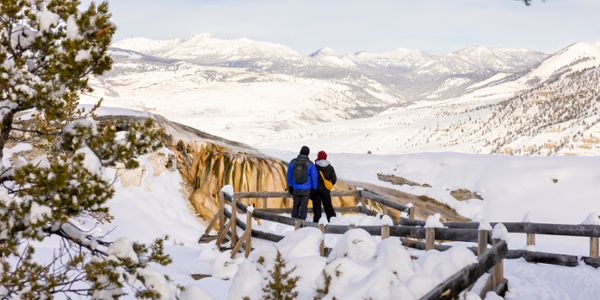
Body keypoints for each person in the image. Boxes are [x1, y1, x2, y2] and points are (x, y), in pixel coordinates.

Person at [286, 146, 318, 220]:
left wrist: (290, 186)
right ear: (308, 153)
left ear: (300, 151)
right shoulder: (310, 163)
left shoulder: (293, 162)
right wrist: (315, 188)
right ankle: (302, 222)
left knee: (295, 205)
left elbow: (289, 174)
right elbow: (314, 176)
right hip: (306, 189)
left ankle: (294, 221)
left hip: (295, 187)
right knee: (304, 206)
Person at [311, 150, 337, 222]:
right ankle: (332, 220)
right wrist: (329, 184)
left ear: (318, 157)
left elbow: (310, 178)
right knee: (328, 206)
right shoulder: (330, 167)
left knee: (317, 208)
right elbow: (334, 179)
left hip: (315, 190)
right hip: (326, 190)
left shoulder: (314, 166)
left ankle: (317, 222)